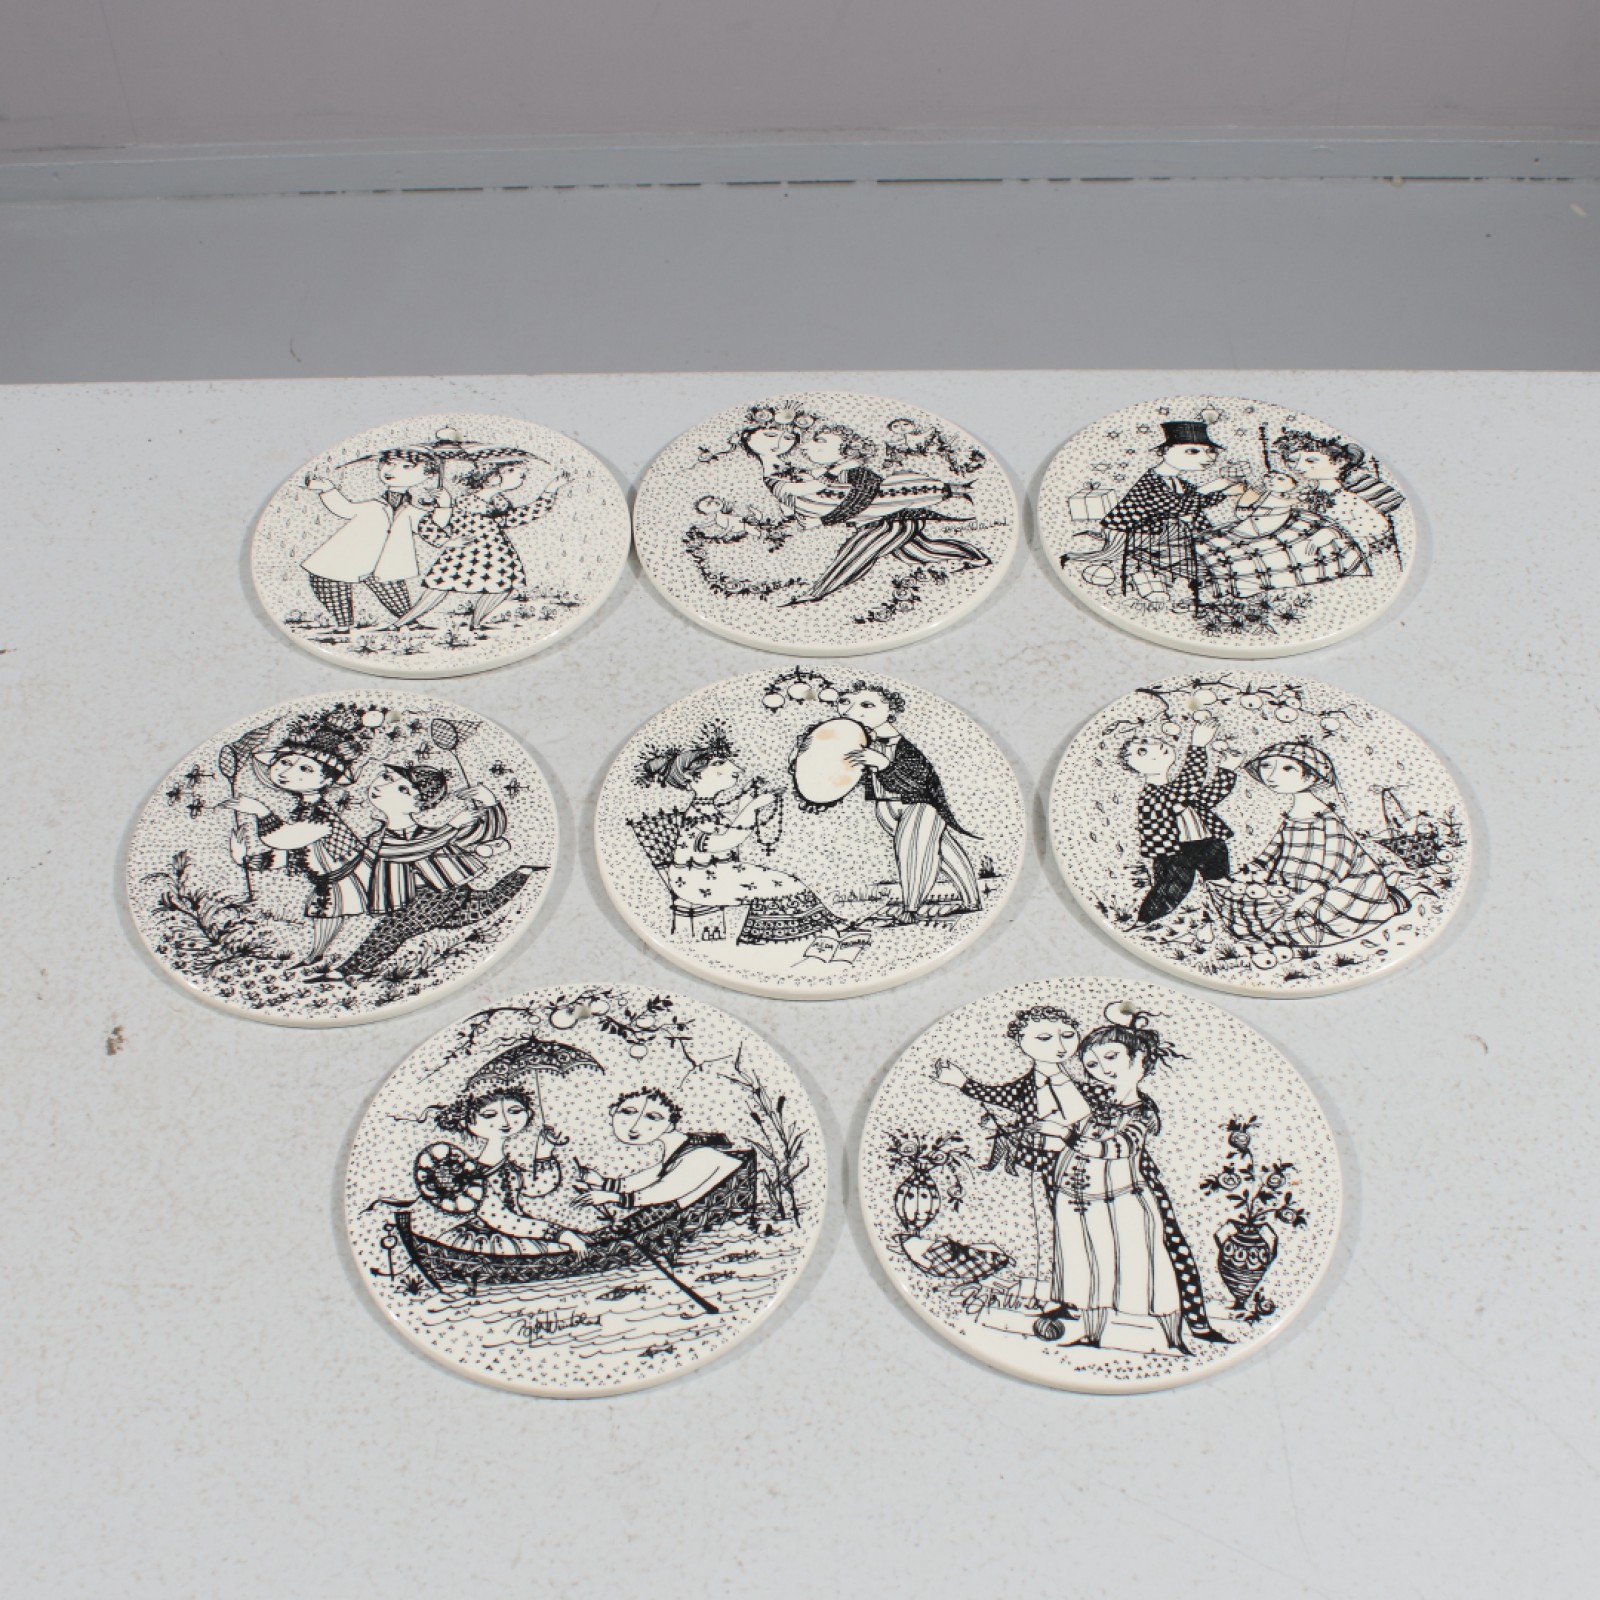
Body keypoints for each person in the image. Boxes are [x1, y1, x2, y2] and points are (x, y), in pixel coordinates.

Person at [1046, 1015, 1222, 1353]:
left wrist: (1067, 1136)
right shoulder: (1101, 1106)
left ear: (1140, 1059)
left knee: (1153, 1265)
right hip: (1084, 1199)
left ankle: (1176, 1337)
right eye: (1092, 1064)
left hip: (1125, 1197)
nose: (1102, 1069)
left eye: (1111, 1057)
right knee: (1092, 1266)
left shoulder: (1142, 1112)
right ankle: (1092, 1334)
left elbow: (1121, 1147)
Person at [635, 727, 863, 949]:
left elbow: (730, 825)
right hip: (698, 880)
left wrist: (747, 803)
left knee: (785, 882)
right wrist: (752, 807)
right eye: (717, 764)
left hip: (717, 873)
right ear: (692, 777)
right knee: (784, 884)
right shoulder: (696, 815)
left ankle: (815, 930)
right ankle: (775, 937)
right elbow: (725, 841)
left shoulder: (708, 808)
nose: (735, 769)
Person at [313, 763, 539, 981]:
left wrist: (490, 804)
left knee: (394, 928)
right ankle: (524, 873)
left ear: (419, 806)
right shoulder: (383, 839)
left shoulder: (430, 834)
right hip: (415, 898)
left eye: (402, 790)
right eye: (387, 777)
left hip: (441, 894)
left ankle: (350, 970)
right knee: (482, 904)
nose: (383, 786)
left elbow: (486, 832)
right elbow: (403, 851)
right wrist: (451, 827)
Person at [932, 1006, 1088, 1301]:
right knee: (1043, 1226)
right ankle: (1046, 1285)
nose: (1059, 1045)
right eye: (1044, 1038)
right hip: (1036, 1165)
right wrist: (962, 1082)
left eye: (1067, 1035)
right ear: (1021, 1042)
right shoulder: (1024, 1088)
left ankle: (1076, 1288)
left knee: (1076, 1226)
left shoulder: (1080, 1087)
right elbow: (996, 1095)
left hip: (1077, 1165)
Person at [1205, 739, 1408, 953]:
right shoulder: (1292, 816)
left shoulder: (1326, 820)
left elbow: (1335, 867)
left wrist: (1302, 898)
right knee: (1260, 916)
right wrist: (1245, 874)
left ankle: (1392, 901)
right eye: (1266, 765)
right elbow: (1272, 852)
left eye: (1287, 768)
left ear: (1311, 777)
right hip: (1291, 887)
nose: (1271, 775)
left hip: (1336, 887)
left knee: (1316, 923)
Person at [220, 706, 373, 966]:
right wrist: (246, 860)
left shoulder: (321, 816)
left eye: (305, 769)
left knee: (329, 915)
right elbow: (292, 854)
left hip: (349, 876)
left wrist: (261, 811)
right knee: (327, 916)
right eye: (285, 762)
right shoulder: (305, 810)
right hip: (331, 878)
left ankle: (320, 959)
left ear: (326, 781)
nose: (287, 772)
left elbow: (285, 839)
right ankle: (317, 957)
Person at [783, 424, 988, 605]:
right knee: (920, 552)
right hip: (889, 521)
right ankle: (977, 557)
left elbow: (860, 499)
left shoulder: (856, 472)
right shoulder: (832, 474)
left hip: (891, 521)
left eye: (821, 441)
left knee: (858, 551)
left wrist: (823, 520)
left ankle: (816, 592)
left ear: (847, 451)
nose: (808, 447)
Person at [838, 683, 981, 924]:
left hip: (919, 805)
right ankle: (972, 902)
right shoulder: (866, 743)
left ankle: (910, 909)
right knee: (944, 851)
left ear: (890, 710)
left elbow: (917, 782)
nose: (851, 711)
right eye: (845, 702)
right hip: (886, 807)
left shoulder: (905, 747)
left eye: (867, 705)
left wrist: (883, 764)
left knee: (913, 853)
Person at [385, 459, 570, 634]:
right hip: (463, 556)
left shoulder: (498, 504)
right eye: (517, 473)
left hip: (496, 557)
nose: (522, 478)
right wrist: (446, 541)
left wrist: (549, 491)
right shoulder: (464, 504)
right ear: (493, 477)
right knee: (437, 590)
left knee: (503, 587)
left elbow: (520, 516)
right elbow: (427, 524)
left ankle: (476, 623)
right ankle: (399, 623)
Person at [423, 1070, 588, 1257]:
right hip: (491, 1239)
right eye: (489, 1115)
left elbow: (535, 1187)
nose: (505, 1121)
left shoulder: (504, 1165)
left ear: (528, 1113)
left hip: (520, 1229)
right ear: (465, 1122)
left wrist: (544, 1151)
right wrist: (559, 1234)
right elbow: (502, 1220)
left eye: (515, 1111)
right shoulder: (475, 1176)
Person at [1097, 420, 1245, 610]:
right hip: (1144, 536)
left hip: (1170, 535)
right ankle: (1148, 578)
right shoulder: (1150, 481)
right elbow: (1177, 506)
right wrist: (1211, 487)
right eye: (1193, 451)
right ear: (1164, 451)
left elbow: (1198, 500)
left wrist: (1225, 492)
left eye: (1210, 451)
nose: (1208, 457)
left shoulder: (1176, 481)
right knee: (1200, 553)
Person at [300, 448, 451, 631]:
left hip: (383, 560)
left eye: (406, 467)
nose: (392, 470)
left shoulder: (411, 511)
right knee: (330, 584)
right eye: (389, 464)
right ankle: (344, 625)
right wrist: (328, 489)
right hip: (348, 554)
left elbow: (431, 526)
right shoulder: (373, 505)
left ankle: (407, 622)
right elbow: (344, 509)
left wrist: (444, 506)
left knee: (393, 591)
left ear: (428, 475)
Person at [1121, 713, 1240, 923]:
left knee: (1221, 881)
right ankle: (1144, 922)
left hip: (1208, 843)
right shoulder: (1152, 796)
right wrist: (1198, 745)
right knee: (1170, 891)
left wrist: (1227, 771)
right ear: (1135, 767)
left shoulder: (1176, 791)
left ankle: (1232, 913)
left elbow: (1205, 799)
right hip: (1175, 853)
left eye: (1151, 741)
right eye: (1142, 751)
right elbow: (1190, 782)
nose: (1155, 745)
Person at [574, 1088, 743, 1225]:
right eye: (627, 1112)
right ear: (613, 1112)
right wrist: (604, 1183)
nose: (635, 1125)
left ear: (670, 1125)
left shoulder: (701, 1155)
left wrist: (613, 1197)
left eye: (652, 1117)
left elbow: (666, 1190)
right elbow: (654, 1175)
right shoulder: (679, 1153)